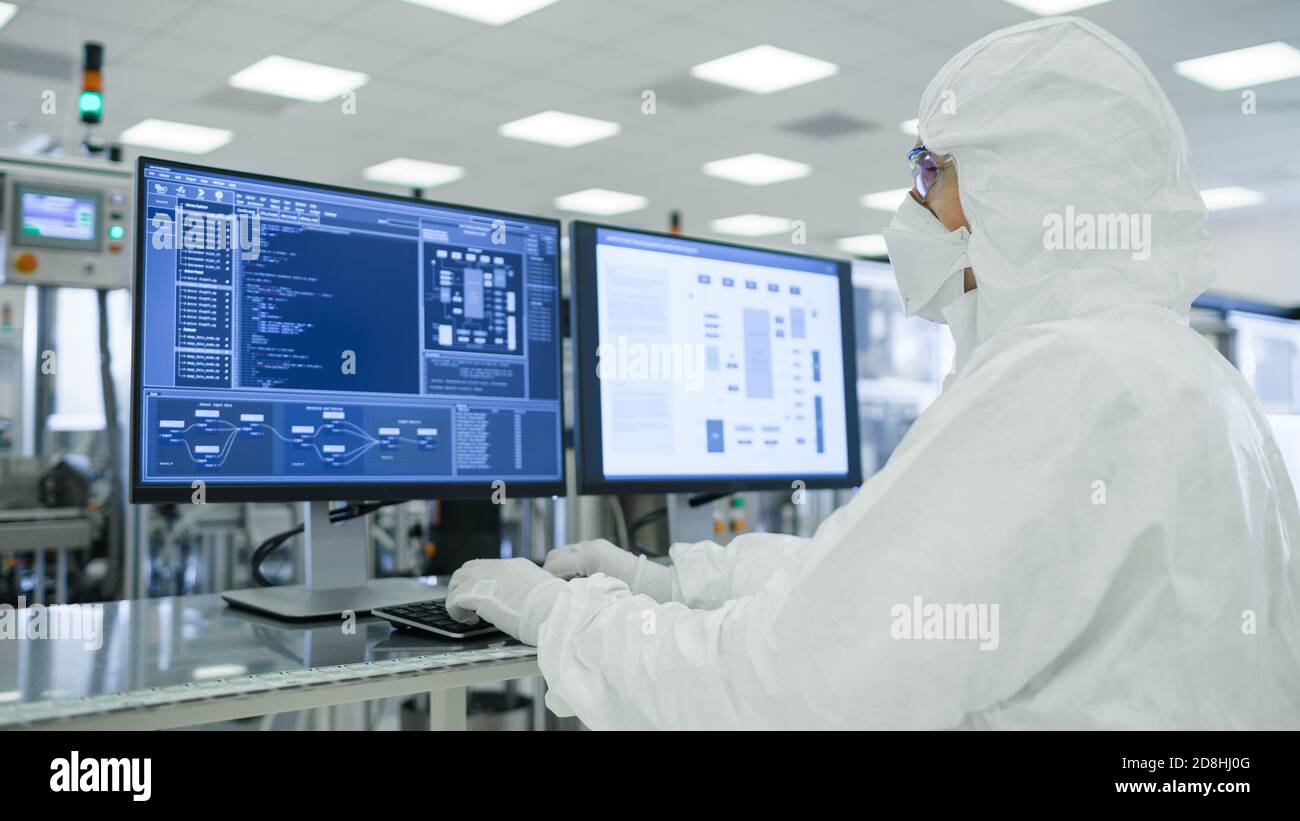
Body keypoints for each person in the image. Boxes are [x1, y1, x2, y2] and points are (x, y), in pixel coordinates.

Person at [446, 16, 1300, 729]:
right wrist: (669, 580)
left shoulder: (1065, 379)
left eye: (933, 169)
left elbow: (788, 689)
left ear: (1021, 185)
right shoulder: (1190, 379)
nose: (915, 205)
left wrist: (565, 619)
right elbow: (881, 592)